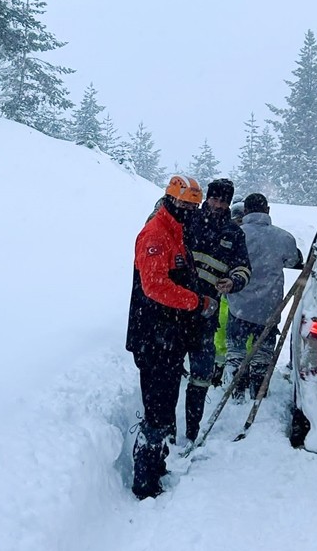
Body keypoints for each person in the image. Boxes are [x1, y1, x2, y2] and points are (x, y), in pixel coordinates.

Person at [125, 175, 219, 499]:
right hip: (153, 338)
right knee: (156, 411)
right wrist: (196, 301)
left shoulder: (176, 232)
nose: (189, 211)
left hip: (170, 337)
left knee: (165, 406)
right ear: (170, 200)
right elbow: (155, 286)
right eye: (184, 205)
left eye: (194, 206)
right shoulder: (155, 234)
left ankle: (157, 465)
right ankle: (145, 481)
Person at [181, 178, 251, 441]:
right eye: (215, 199)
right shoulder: (188, 220)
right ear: (206, 198)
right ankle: (166, 429)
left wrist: (234, 281)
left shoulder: (234, 233)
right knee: (170, 371)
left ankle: (192, 431)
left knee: (201, 376)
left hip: (207, 314)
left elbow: (243, 267)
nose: (218, 204)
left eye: (224, 201)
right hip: (176, 311)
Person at [224, 192, 304, 401]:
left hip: (239, 303)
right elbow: (293, 261)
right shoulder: (284, 238)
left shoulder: (236, 234)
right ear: (267, 210)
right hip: (269, 306)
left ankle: (236, 387)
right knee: (263, 350)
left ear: (245, 211)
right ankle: (259, 386)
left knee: (237, 348)